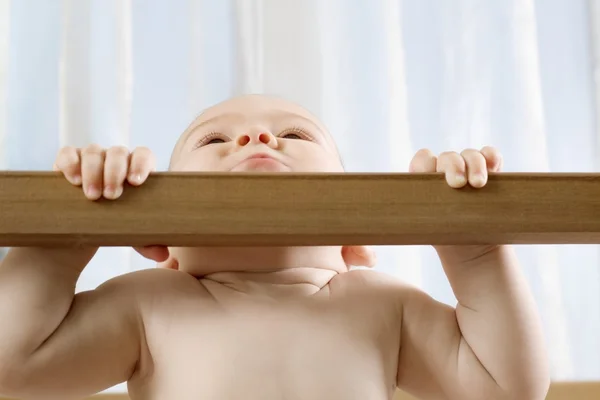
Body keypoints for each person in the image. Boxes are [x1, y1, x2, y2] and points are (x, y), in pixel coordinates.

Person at [0, 95, 549, 400]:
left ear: (354, 237)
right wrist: (65, 231)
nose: (257, 138)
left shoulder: (382, 306)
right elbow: (11, 368)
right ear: (159, 241)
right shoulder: (149, 304)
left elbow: (508, 388)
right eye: (214, 139)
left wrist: (472, 246)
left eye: (298, 135)